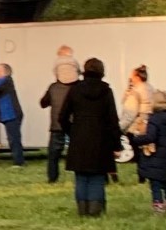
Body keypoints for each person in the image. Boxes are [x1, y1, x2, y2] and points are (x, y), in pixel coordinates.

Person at [57, 57, 119, 217]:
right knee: (97, 177)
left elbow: (62, 116)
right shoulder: (106, 91)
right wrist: (116, 144)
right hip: (101, 138)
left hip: (79, 137)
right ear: (101, 72)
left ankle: (82, 210)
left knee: (81, 176)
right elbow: (113, 119)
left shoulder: (75, 90)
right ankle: (95, 210)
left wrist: (72, 131)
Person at [133, 91, 166, 215]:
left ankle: (158, 205)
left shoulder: (155, 118)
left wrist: (137, 139)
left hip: (157, 155)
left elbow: (151, 136)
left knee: (155, 182)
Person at [43, 59, 78, 184]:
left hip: (56, 124)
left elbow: (43, 103)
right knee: (77, 151)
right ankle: (79, 176)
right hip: (74, 124)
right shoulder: (78, 87)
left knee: (54, 154)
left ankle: (52, 178)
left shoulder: (53, 87)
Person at [0, 63, 26, 167]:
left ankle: (19, 162)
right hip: (8, 114)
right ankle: (18, 160)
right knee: (13, 138)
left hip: (11, 114)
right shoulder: (3, 82)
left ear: (5, 72)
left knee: (14, 138)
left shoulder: (6, 80)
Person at [119, 65, 156, 133]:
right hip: (150, 128)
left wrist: (118, 129)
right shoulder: (152, 90)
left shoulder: (135, 92)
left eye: (132, 76)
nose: (130, 78)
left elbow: (129, 115)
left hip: (136, 129)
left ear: (137, 77)